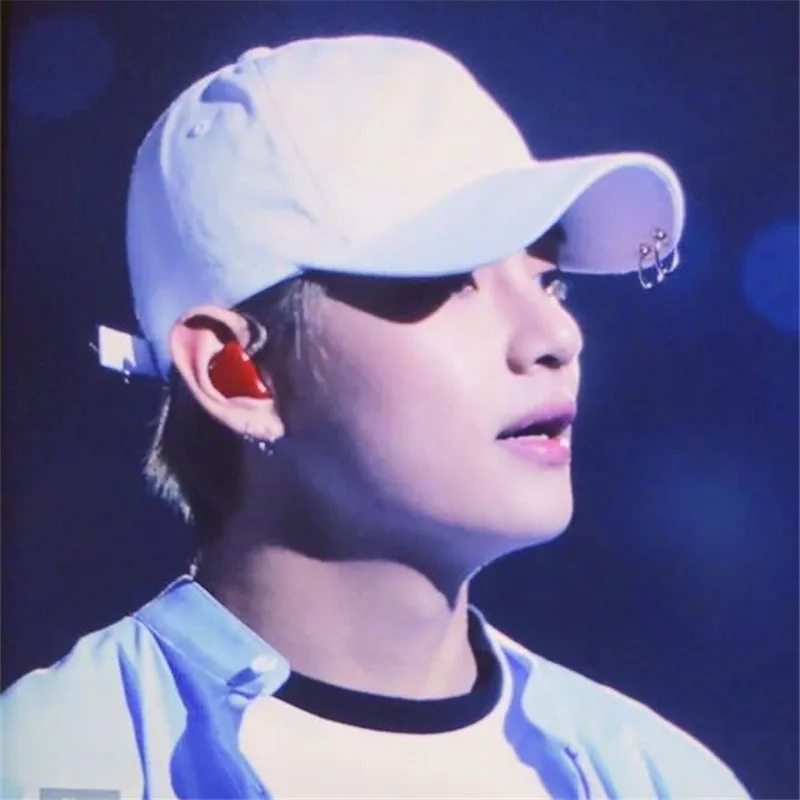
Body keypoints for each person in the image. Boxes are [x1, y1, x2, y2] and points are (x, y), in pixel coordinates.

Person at [2, 34, 749, 799]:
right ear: (239, 372)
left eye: (549, 281)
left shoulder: (657, 777)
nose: (557, 336)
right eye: (450, 281)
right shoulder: (54, 766)